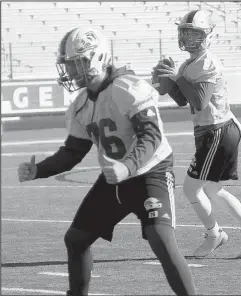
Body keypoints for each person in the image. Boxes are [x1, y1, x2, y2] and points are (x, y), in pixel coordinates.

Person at [18, 27, 197, 296]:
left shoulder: (128, 87)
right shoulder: (80, 104)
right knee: (76, 239)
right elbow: (72, 153)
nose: (73, 70)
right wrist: (39, 170)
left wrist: (127, 166)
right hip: (115, 177)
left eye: (78, 62)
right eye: (69, 64)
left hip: (151, 173)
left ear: (98, 58)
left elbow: (151, 136)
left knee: (161, 238)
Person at [152, 10, 241, 259]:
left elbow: (201, 101)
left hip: (217, 131)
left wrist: (177, 78)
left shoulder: (207, 62)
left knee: (191, 189)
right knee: (213, 190)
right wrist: (168, 83)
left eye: (195, 33)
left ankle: (214, 234)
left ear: (207, 35)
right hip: (214, 131)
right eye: (185, 32)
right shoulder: (190, 62)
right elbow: (184, 101)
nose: (188, 37)